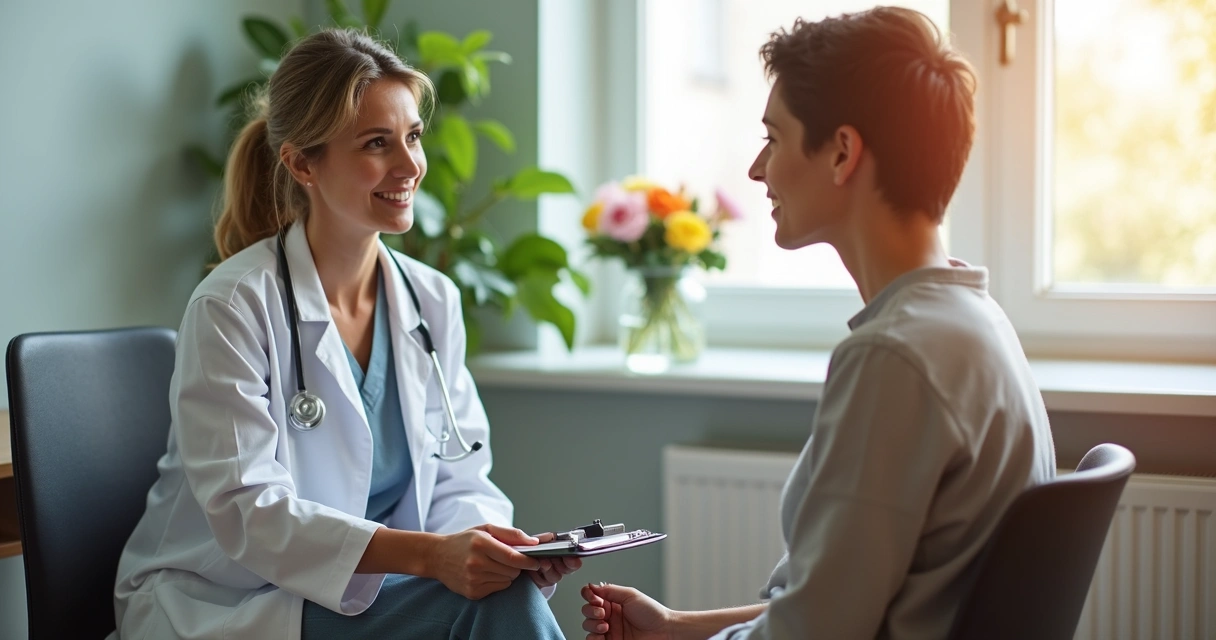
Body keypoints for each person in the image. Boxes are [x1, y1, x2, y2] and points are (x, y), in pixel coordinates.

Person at [580, 6, 1056, 639]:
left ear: (841, 152)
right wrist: (676, 629)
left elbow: (816, 632)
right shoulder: (972, 323)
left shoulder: (897, 357)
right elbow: (840, 603)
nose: (757, 169)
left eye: (773, 138)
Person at [110, 29, 578, 640]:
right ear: (302, 163)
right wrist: (428, 557)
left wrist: (490, 547)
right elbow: (250, 514)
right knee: (496, 614)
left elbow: (461, 476)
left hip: (373, 592)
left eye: (413, 136)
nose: (410, 165)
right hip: (231, 598)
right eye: (376, 144)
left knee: (505, 594)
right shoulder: (234, 305)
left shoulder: (430, 299)